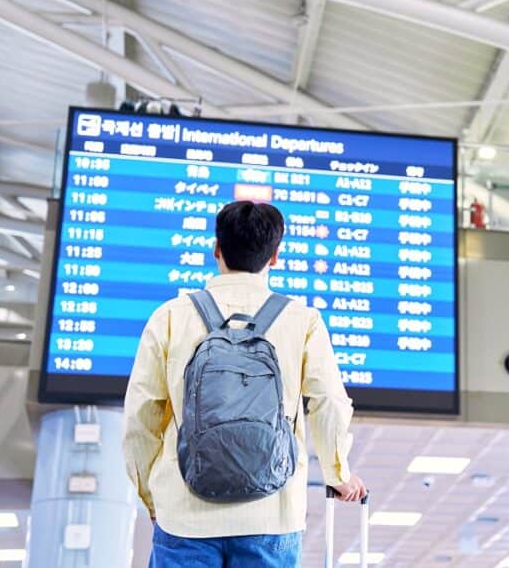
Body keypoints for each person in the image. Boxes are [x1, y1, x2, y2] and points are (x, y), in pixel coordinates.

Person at [123, 200, 366, 567]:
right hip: (272, 513)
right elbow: (329, 402)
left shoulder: (170, 316)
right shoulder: (303, 320)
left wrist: (152, 497)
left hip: (184, 512)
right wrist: (338, 473)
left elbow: (140, 418)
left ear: (216, 249)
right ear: (275, 257)